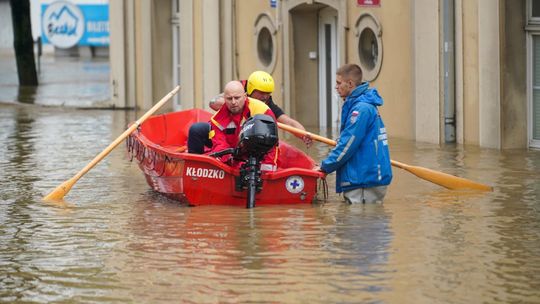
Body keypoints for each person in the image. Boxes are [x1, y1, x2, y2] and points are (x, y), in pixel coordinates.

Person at [187, 71, 311, 154]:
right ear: (249, 91)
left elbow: (287, 122)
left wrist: (303, 134)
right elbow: (213, 103)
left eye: (268, 93)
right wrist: (238, 104)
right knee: (197, 129)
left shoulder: (265, 104)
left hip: (245, 139)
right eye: (261, 93)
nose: (265, 96)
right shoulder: (237, 90)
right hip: (226, 132)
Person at [319, 63, 392, 204]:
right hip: (366, 177)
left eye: (339, 83)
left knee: (358, 221)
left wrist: (325, 166)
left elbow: (348, 144)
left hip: (364, 180)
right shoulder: (361, 105)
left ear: (350, 84)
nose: (336, 87)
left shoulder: (361, 109)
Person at [206, 80, 278, 171]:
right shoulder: (217, 120)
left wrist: (267, 170)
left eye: (237, 98)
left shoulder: (262, 111)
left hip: (259, 161)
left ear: (245, 96)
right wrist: (230, 165)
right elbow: (220, 147)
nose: (233, 102)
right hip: (234, 162)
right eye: (229, 98)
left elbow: (272, 144)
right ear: (224, 99)